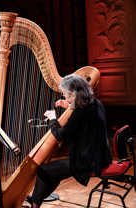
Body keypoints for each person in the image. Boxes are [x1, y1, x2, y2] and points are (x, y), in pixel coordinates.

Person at [28, 74, 113, 208]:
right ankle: (36, 200)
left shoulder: (80, 112)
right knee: (53, 173)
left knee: (44, 170)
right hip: (102, 156)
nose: (64, 97)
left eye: (66, 94)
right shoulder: (95, 103)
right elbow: (83, 122)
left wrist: (52, 118)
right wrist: (69, 106)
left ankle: (35, 203)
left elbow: (60, 135)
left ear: (74, 94)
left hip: (88, 162)